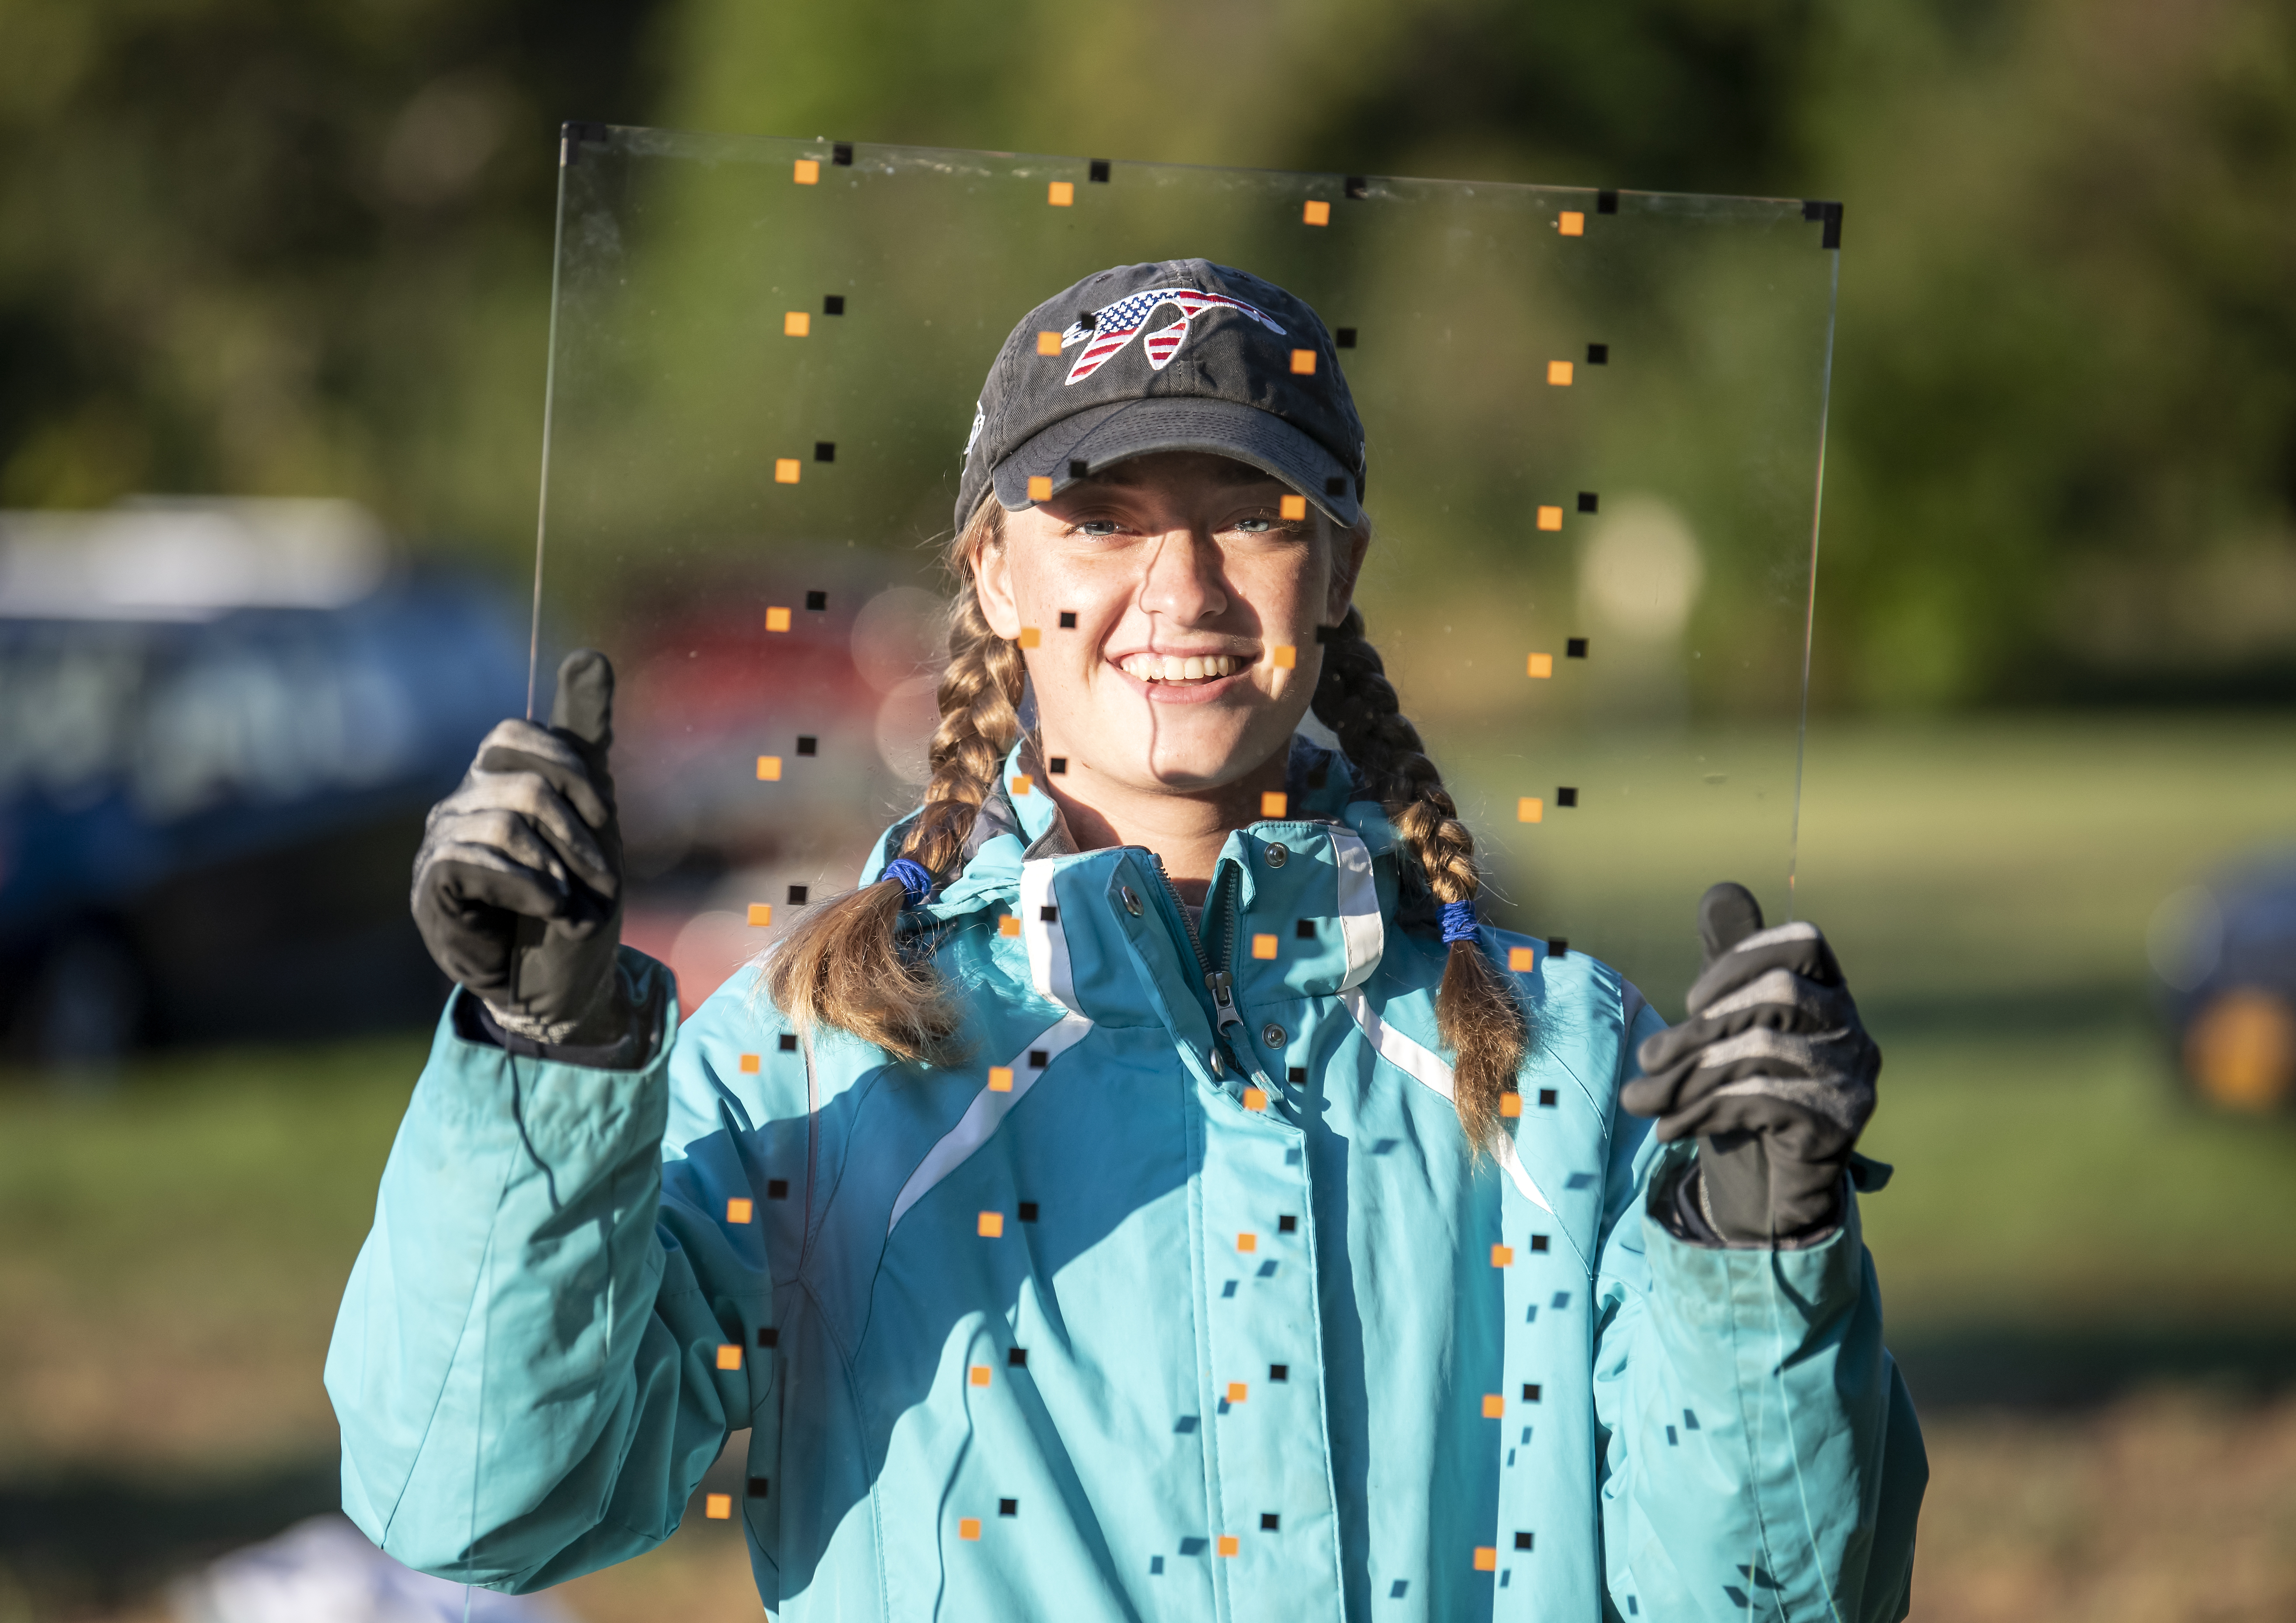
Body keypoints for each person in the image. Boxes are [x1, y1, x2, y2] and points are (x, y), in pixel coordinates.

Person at [329, 259, 1925, 1621]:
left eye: (1252, 516)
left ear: (1339, 567)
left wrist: (1758, 1261)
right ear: (994, 570)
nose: (1182, 588)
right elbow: (485, 1501)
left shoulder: (1572, 1062)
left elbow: (1771, 1596)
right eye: (1095, 520)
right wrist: (544, 1063)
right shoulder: (820, 1057)